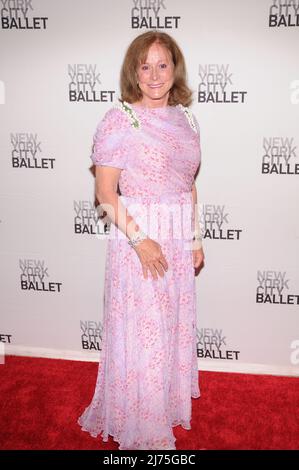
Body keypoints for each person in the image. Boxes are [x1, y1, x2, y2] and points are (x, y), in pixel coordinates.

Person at [78, 30, 205, 450]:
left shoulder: (187, 119)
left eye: (162, 64)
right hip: (138, 236)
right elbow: (104, 193)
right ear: (134, 70)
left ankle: (161, 406)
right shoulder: (120, 119)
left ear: (175, 69)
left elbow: (189, 185)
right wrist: (140, 241)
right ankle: (143, 426)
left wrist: (194, 239)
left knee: (168, 328)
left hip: (176, 234)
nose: (154, 75)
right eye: (145, 65)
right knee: (145, 330)